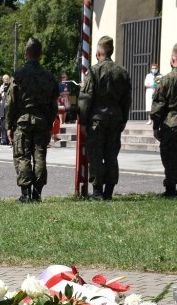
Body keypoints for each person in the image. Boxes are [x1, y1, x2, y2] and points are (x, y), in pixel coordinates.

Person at [78, 35, 131, 201]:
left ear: (98, 53)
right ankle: (109, 191)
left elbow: (86, 98)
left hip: (97, 119)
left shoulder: (93, 71)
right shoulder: (122, 72)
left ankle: (97, 192)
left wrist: (83, 120)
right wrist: (123, 120)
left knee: (95, 154)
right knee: (111, 155)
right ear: (112, 51)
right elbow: (127, 99)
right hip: (115, 118)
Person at [6, 36, 59, 203]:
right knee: (40, 156)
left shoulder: (19, 75)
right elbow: (53, 104)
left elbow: (10, 102)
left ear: (26, 53)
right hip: (42, 121)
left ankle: (25, 193)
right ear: (40, 54)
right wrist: (50, 123)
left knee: (22, 155)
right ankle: (37, 193)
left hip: (23, 121)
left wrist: (8, 124)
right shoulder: (49, 77)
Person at [150, 43, 177, 198]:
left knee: (170, 156)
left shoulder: (166, 80)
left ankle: (171, 189)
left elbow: (159, 106)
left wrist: (156, 126)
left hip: (171, 124)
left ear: (174, 58)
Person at [0, 75, 11, 145]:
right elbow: (0, 95)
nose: (6, 80)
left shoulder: (11, 86)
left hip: (8, 107)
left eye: (7, 79)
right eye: (4, 79)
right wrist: (2, 89)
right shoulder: (1, 86)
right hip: (3, 106)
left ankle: (9, 139)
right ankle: (3, 139)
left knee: (8, 124)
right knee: (3, 124)